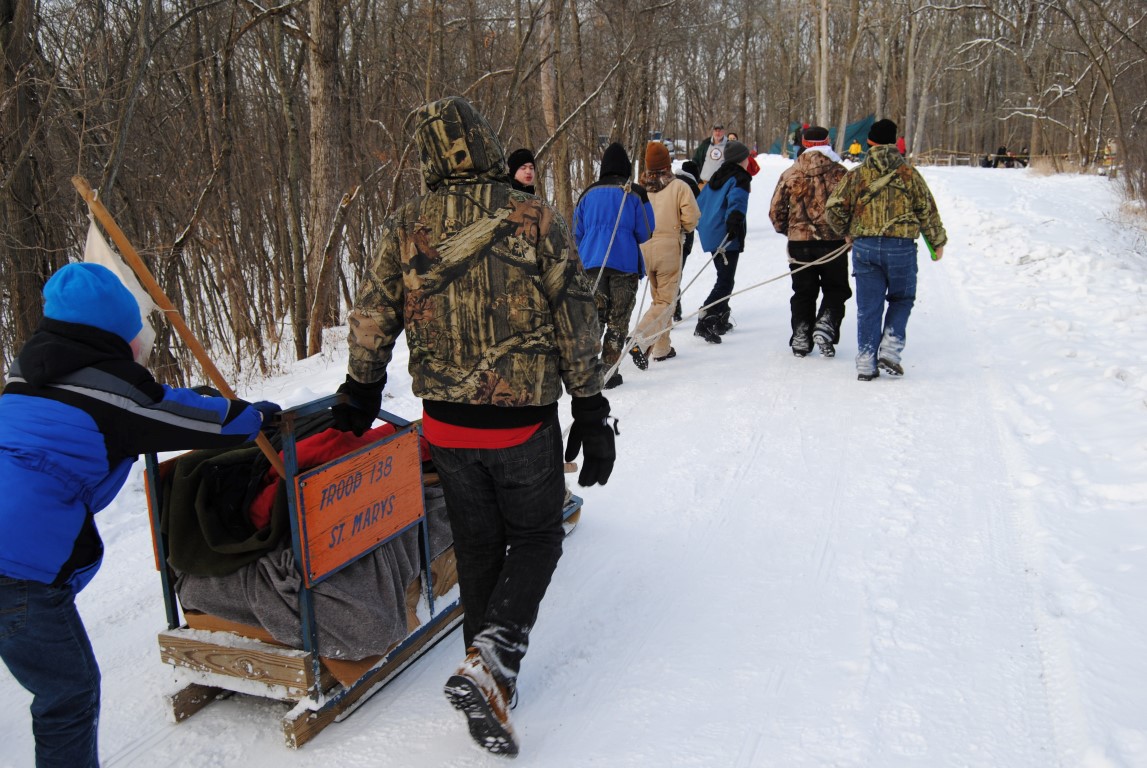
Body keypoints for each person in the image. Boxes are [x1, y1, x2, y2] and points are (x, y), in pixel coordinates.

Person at [332, 96, 614, 758]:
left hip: (448, 427)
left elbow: (373, 312)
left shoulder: (406, 224)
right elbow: (575, 314)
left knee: (480, 548)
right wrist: (590, 406)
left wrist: (361, 386)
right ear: (486, 143)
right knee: (538, 536)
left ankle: (489, 679)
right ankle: (492, 661)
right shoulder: (533, 216)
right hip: (521, 423)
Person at [0, 263, 277, 768]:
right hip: (17, 565)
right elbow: (212, 425)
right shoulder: (113, 395)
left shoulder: (27, 376)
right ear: (112, 332)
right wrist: (252, 414)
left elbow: (143, 409)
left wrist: (186, 402)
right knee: (67, 694)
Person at [826, 118, 948, 381]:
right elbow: (927, 211)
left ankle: (866, 360)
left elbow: (834, 208)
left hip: (865, 247)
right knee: (902, 298)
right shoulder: (910, 174)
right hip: (901, 247)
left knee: (868, 307)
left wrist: (846, 231)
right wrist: (937, 242)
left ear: (869, 142)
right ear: (894, 143)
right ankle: (891, 349)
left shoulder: (856, 174)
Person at [573, 142, 653, 389]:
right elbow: (646, 231)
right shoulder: (635, 193)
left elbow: (577, 233)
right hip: (624, 265)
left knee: (593, 318)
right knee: (618, 319)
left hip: (591, 265)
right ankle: (609, 371)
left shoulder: (587, 194)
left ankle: (585, 368)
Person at [769, 125, 851, 358]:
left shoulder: (791, 173)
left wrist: (790, 231)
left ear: (804, 144)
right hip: (833, 242)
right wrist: (847, 231)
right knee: (836, 289)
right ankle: (826, 325)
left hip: (799, 243)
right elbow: (852, 207)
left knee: (803, 291)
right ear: (828, 143)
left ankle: (801, 335)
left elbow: (775, 211)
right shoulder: (840, 173)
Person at [630, 141, 700, 366]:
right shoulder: (679, 186)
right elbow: (692, 218)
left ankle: (661, 348)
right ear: (667, 164)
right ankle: (639, 337)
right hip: (668, 247)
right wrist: (683, 228)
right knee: (666, 302)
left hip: (644, 248)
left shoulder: (638, 189)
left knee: (659, 300)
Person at [693, 140, 752, 343]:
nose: (748, 161)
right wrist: (734, 223)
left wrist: (704, 225)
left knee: (724, 276)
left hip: (712, 232)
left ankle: (720, 318)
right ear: (741, 160)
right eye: (747, 158)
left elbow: (700, 202)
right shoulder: (740, 177)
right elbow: (737, 201)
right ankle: (705, 317)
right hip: (726, 234)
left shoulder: (716, 176)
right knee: (725, 281)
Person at [673, 160, 703, 321]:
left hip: (664, 235)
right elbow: (696, 214)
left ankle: (672, 306)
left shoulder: (670, 183)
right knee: (676, 273)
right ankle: (674, 308)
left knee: (668, 273)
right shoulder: (692, 187)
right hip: (683, 236)